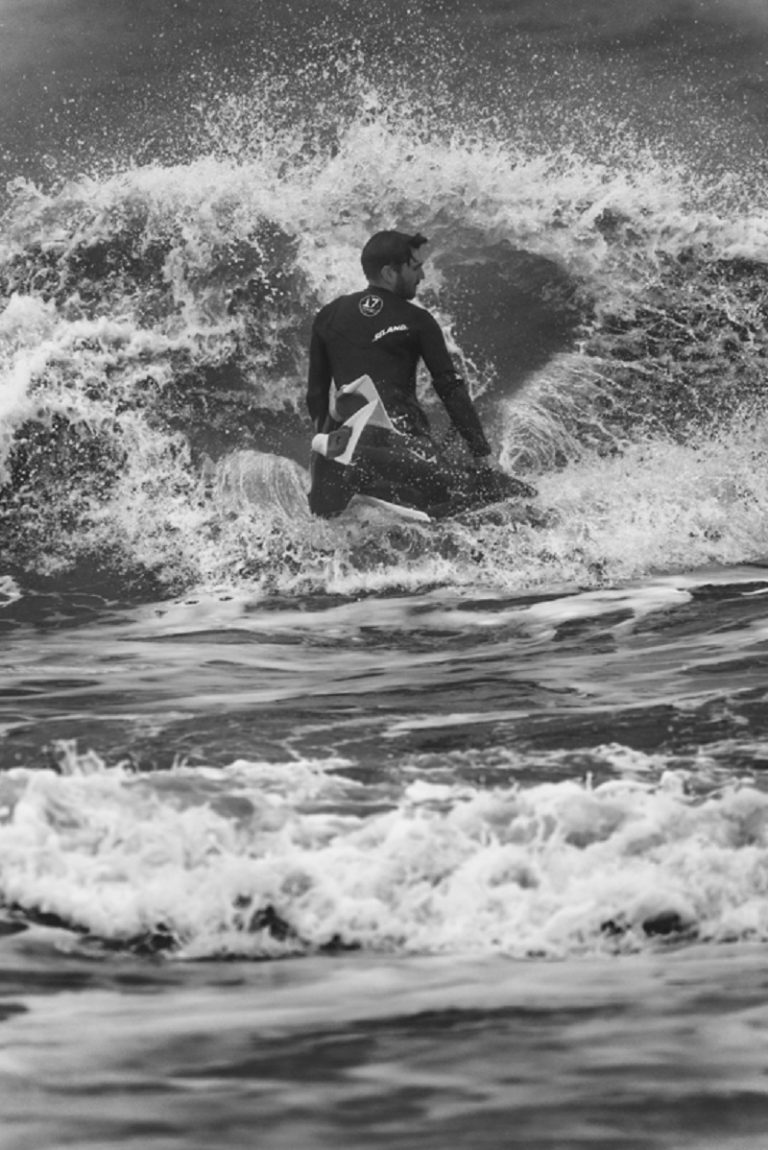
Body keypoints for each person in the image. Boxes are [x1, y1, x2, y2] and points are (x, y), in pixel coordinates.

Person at [306, 229, 530, 518]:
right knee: (517, 496)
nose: (421, 276)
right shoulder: (417, 320)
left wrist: (322, 455)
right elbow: (450, 389)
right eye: (415, 268)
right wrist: (482, 455)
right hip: (401, 449)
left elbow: (316, 395)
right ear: (389, 273)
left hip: (344, 452)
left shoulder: (328, 315)